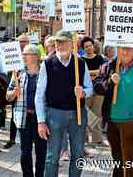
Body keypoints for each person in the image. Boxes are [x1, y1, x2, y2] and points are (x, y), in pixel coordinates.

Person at [35, 30, 93, 177]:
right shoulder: (47, 64)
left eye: (63, 42)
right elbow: (39, 94)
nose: (60, 45)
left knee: (78, 155)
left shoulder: (80, 63)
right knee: (52, 156)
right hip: (54, 114)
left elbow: (90, 88)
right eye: (57, 42)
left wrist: (84, 93)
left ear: (71, 44)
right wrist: (41, 121)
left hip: (78, 114)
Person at [100, 46, 133, 177]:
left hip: (132, 120)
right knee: (117, 157)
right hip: (111, 120)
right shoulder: (107, 67)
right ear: (117, 49)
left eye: (129, 49)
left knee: (130, 157)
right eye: (123, 48)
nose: (126, 52)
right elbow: (98, 87)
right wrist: (110, 82)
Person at [6, 45, 47, 177]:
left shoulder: (44, 72)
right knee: (25, 151)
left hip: (41, 119)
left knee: (41, 151)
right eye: (22, 54)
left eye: (26, 54)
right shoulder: (17, 73)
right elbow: (8, 96)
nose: (23, 56)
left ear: (36, 57)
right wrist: (13, 93)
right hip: (24, 117)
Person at [81, 36, 106, 146]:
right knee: (86, 113)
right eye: (86, 47)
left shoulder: (100, 58)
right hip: (86, 90)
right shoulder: (81, 60)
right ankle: (84, 138)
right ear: (83, 48)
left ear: (93, 46)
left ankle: (98, 139)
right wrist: (94, 73)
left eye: (90, 45)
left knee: (97, 114)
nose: (89, 48)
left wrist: (90, 73)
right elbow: (82, 74)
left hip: (99, 90)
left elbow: (102, 72)